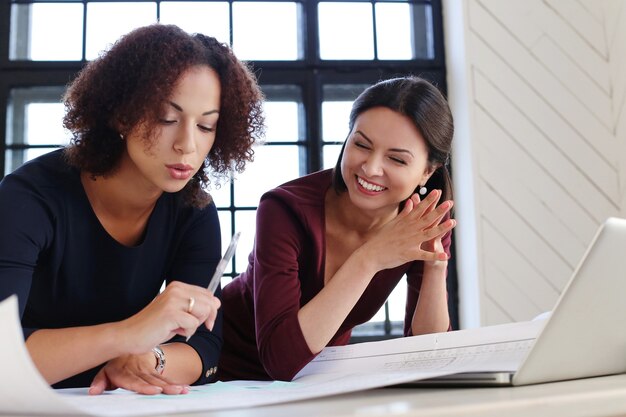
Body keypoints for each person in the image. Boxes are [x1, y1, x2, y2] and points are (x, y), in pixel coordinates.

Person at [0, 24, 264, 394]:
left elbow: (204, 345)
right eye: (167, 119)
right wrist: (131, 334)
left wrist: (149, 359)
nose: (187, 145)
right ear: (122, 115)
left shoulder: (193, 210)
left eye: (206, 125)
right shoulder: (28, 199)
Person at [217, 76, 456, 382]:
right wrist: (369, 259)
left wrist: (435, 269)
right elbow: (280, 361)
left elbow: (428, 354)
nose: (370, 168)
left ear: (427, 171)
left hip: (316, 381)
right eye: (361, 145)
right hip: (221, 372)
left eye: (396, 158)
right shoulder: (284, 209)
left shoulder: (423, 223)